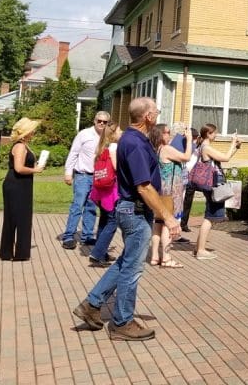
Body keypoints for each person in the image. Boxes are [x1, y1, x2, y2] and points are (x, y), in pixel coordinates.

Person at [73, 97, 181, 341]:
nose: (157, 115)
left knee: (125, 262)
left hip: (131, 209)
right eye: (156, 112)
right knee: (132, 268)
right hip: (134, 210)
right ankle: (122, 322)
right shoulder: (135, 143)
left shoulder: (133, 140)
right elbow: (143, 186)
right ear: (148, 117)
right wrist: (168, 217)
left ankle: (91, 304)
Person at [61, 111, 111, 249]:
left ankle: (87, 236)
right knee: (77, 205)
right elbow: (74, 153)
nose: (101, 123)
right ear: (94, 121)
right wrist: (68, 173)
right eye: (99, 121)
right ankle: (68, 236)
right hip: (83, 175)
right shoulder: (84, 134)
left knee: (91, 207)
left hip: (98, 177)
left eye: (104, 122)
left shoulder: (107, 137)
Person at [0, 117, 45, 261]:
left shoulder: (24, 145)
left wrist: (35, 165)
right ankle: (15, 253)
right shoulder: (20, 146)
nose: (34, 132)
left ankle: (13, 252)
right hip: (16, 184)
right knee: (17, 217)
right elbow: (18, 168)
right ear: (26, 132)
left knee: (19, 217)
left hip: (22, 184)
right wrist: (35, 170)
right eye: (32, 130)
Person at [193, 123, 240, 260]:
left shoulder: (204, 146)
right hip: (213, 185)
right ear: (208, 134)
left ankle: (198, 248)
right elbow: (225, 158)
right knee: (210, 217)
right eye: (214, 133)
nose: (216, 135)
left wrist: (235, 147)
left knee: (209, 216)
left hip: (211, 184)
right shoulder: (206, 147)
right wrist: (232, 142)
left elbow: (225, 157)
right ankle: (201, 251)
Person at [148, 123, 192, 267]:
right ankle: (166, 258)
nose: (169, 135)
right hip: (170, 193)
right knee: (168, 223)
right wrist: (190, 139)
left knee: (158, 223)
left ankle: (154, 256)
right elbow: (186, 157)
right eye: (167, 132)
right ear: (160, 135)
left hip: (160, 191)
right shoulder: (166, 148)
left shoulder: (157, 149)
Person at [87, 121, 122, 267]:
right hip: (110, 190)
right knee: (113, 222)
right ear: (113, 134)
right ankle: (97, 254)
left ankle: (102, 252)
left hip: (100, 189)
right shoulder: (114, 147)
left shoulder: (101, 147)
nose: (122, 133)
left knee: (104, 220)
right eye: (120, 130)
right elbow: (116, 167)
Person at [178, 127, 200, 233]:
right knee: (181, 203)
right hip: (183, 178)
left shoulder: (195, 148)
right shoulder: (184, 148)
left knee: (186, 203)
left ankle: (183, 224)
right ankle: (179, 226)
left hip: (188, 179)